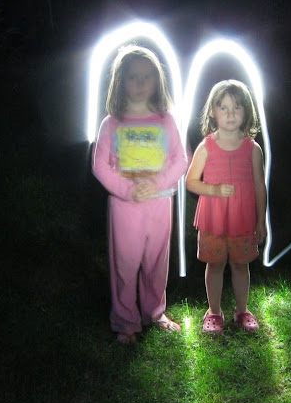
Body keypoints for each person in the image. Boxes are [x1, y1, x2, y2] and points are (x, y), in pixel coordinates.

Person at [92, 45, 187, 344]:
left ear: (157, 80)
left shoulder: (166, 119)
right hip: (125, 207)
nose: (140, 83)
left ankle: (154, 312)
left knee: (157, 263)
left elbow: (180, 160)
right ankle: (125, 321)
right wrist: (127, 190)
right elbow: (100, 166)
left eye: (147, 76)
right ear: (121, 81)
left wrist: (157, 184)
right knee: (125, 264)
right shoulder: (111, 122)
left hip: (160, 203)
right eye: (133, 77)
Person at [186, 79, 267, 333]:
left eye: (237, 107)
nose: (230, 114)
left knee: (241, 265)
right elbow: (190, 182)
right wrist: (214, 190)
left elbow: (259, 186)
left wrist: (261, 220)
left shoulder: (252, 149)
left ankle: (242, 311)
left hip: (243, 219)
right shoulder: (206, 147)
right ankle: (214, 312)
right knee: (215, 264)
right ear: (212, 111)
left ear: (247, 111)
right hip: (214, 218)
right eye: (223, 107)